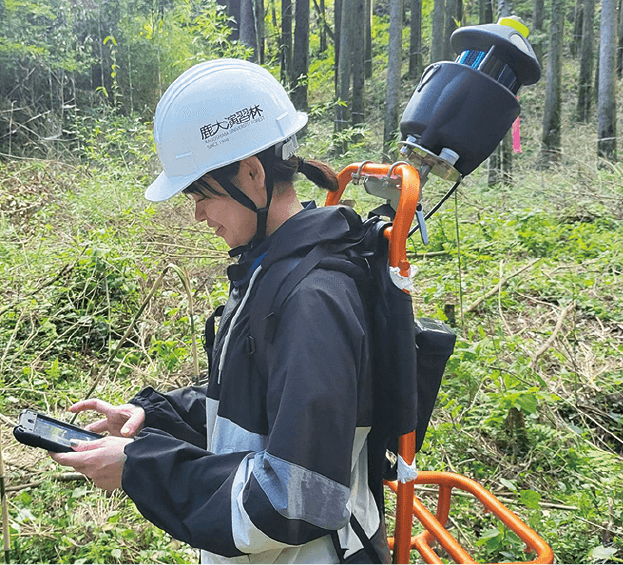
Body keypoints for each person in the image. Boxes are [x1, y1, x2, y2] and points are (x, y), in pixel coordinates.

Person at [51, 58, 391, 564]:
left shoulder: (312, 299)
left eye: (202, 194)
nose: (197, 214)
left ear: (252, 174)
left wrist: (140, 467)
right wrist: (155, 418)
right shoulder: (272, 269)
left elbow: (298, 500)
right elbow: (258, 401)